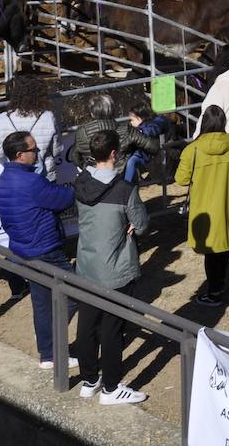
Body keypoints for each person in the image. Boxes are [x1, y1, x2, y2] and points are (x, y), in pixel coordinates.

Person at [72, 129, 149, 405]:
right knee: (113, 329)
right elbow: (140, 223)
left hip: (87, 265)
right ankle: (111, 387)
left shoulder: (80, 184)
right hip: (115, 268)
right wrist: (130, 224)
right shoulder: (124, 190)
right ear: (115, 154)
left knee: (87, 325)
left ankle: (89, 380)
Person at [0, 130, 77, 370]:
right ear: (20, 155)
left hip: (23, 248)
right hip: (45, 248)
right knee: (75, 294)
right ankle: (56, 349)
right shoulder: (31, 181)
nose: (38, 153)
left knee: (41, 302)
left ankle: (48, 355)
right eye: (33, 150)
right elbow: (62, 199)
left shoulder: (3, 180)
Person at [174, 105, 229, 306]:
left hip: (205, 206)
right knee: (224, 246)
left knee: (210, 250)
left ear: (204, 123)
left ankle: (214, 291)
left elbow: (181, 179)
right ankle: (218, 285)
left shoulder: (193, 149)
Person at [0, 74, 59, 177]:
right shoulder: (48, 116)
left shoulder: (3, 118)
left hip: (15, 176)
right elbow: (56, 150)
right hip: (44, 175)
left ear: (16, 94)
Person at [71, 93, 131, 171]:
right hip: (119, 172)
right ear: (112, 110)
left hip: (92, 172)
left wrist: (85, 167)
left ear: (92, 112)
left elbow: (75, 156)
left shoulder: (82, 131)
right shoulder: (124, 129)